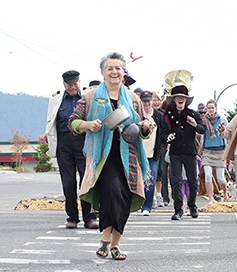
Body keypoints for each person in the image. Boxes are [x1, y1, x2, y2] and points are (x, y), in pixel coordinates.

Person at [68, 52, 151, 260]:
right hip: (102, 157)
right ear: (103, 72)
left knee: (124, 200)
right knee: (112, 193)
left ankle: (114, 245)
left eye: (118, 68)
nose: (114, 72)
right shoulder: (90, 96)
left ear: (123, 73)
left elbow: (144, 128)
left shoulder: (133, 98)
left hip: (129, 157)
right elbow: (73, 123)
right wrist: (89, 124)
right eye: (110, 68)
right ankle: (106, 239)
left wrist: (146, 126)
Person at [39, 70, 98, 230]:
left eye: (75, 83)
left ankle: (89, 217)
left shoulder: (87, 97)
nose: (72, 87)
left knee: (86, 182)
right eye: (69, 84)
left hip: (83, 142)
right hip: (64, 143)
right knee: (68, 182)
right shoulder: (56, 99)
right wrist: (46, 134)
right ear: (64, 84)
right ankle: (72, 217)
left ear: (79, 82)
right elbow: (51, 120)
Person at [161, 69, 205, 221]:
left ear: (186, 100)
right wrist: (168, 137)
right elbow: (163, 134)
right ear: (174, 99)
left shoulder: (193, 114)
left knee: (193, 182)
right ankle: (178, 209)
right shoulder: (168, 115)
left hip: (190, 152)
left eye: (183, 97)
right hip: (175, 152)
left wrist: (194, 125)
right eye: (178, 97)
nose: (180, 99)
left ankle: (192, 206)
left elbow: (202, 129)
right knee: (176, 181)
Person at [200, 99, 229, 205]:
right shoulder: (204, 120)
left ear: (216, 108)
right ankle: (211, 198)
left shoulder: (222, 119)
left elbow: (227, 133)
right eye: (209, 108)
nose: (211, 110)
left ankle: (225, 193)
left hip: (220, 149)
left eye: (212, 107)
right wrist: (201, 149)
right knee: (207, 175)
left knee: (220, 177)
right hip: (208, 150)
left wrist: (228, 149)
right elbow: (202, 134)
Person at [140, 90, 164, 216]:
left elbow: (163, 132)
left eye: (148, 101)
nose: (146, 104)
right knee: (139, 179)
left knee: (151, 179)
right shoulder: (137, 115)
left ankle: (147, 206)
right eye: (144, 101)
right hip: (139, 152)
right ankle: (138, 202)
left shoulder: (159, 116)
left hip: (153, 154)